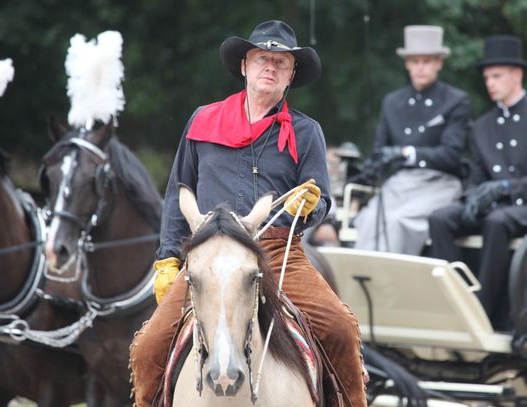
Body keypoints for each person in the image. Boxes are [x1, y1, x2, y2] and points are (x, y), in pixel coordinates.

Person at [130, 20, 367, 406]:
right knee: (146, 349)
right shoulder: (202, 121)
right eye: (262, 59)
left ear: (291, 75)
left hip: (278, 253)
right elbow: (178, 193)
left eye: (280, 62)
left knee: (340, 328)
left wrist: (310, 206)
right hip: (208, 255)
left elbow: (321, 200)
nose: (270, 68)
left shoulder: (307, 132)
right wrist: (167, 260)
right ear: (244, 66)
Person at [429, 35, 527, 329]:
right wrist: (472, 197)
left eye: (497, 76)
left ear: (517, 75)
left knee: (496, 222)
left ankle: (480, 312)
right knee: (441, 218)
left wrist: (507, 187)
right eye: (487, 77)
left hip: (518, 206)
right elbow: (476, 177)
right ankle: (454, 300)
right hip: (493, 204)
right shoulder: (483, 125)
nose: (490, 83)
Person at [354, 25, 470, 255]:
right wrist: (364, 174)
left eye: (427, 61)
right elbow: (379, 150)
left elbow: (451, 155)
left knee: (398, 222)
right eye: (415, 61)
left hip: (439, 183)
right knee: (366, 220)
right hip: (399, 183)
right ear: (407, 63)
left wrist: (406, 153)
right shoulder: (392, 102)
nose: (420, 67)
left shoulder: (455, 100)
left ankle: (391, 285)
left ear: (439, 63)